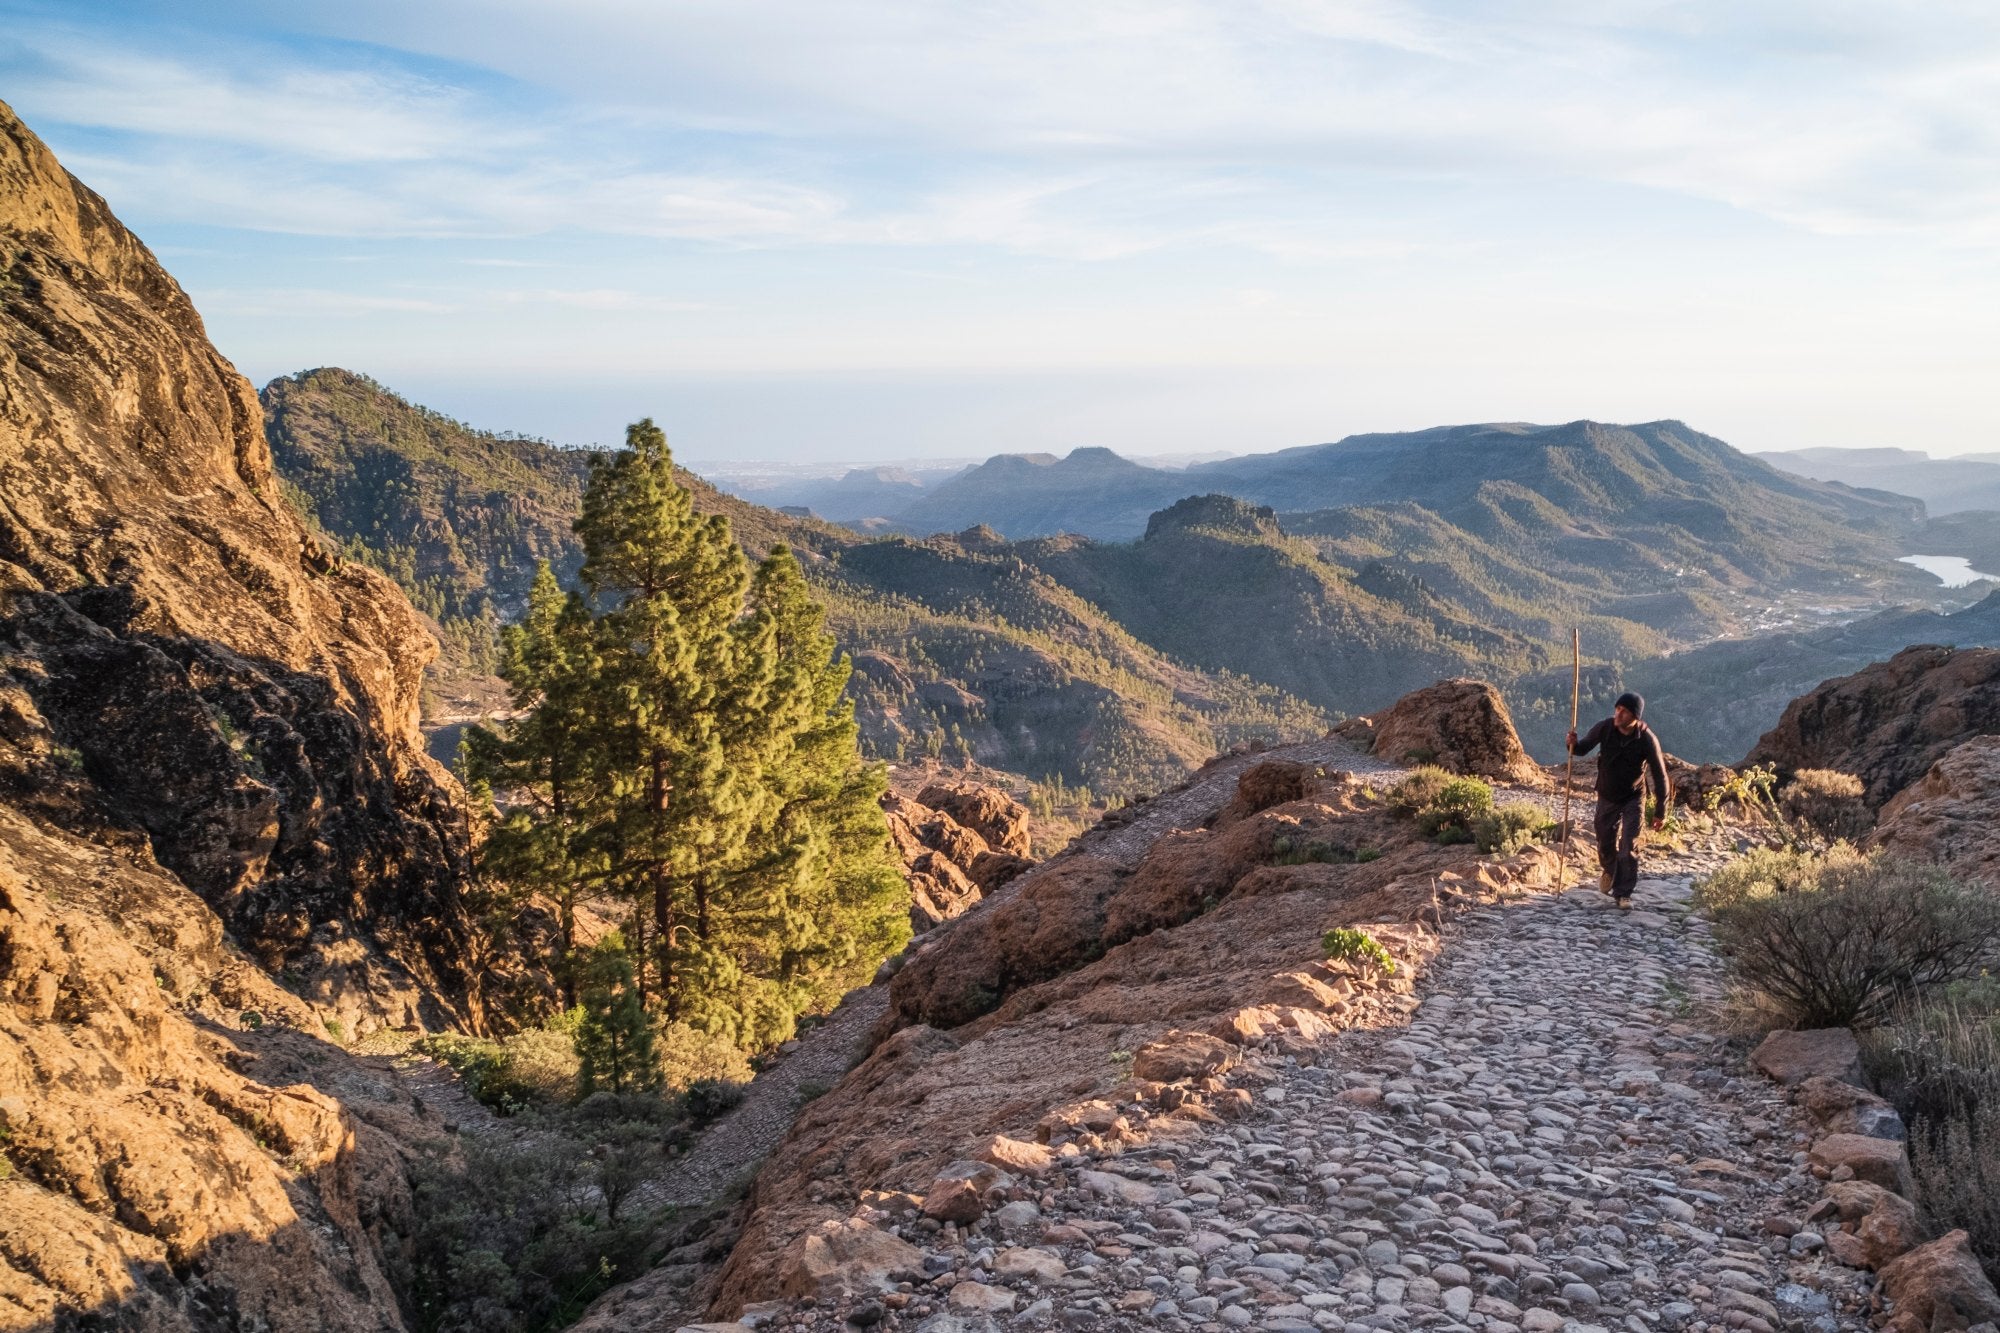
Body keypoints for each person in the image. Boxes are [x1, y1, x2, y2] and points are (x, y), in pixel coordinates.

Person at [1566, 691, 1670, 911]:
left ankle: (1623, 894)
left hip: (1634, 796)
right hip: (1607, 794)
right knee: (1605, 842)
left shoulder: (1647, 739)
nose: (1618, 713)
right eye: (1617, 709)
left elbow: (1660, 775)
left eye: (1624, 711)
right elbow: (1582, 749)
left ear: (1635, 716)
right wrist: (1572, 743)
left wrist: (1660, 811)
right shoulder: (1605, 728)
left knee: (1629, 844)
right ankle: (1611, 872)